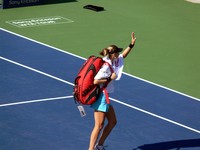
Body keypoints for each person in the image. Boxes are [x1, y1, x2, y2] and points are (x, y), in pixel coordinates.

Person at [88, 32, 137, 150]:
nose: (119, 53)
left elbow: (123, 56)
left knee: (113, 122)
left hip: (106, 97)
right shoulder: (106, 66)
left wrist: (131, 45)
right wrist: (110, 78)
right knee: (99, 126)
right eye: (117, 52)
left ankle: (99, 145)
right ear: (113, 54)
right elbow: (95, 81)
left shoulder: (114, 60)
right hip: (101, 98)